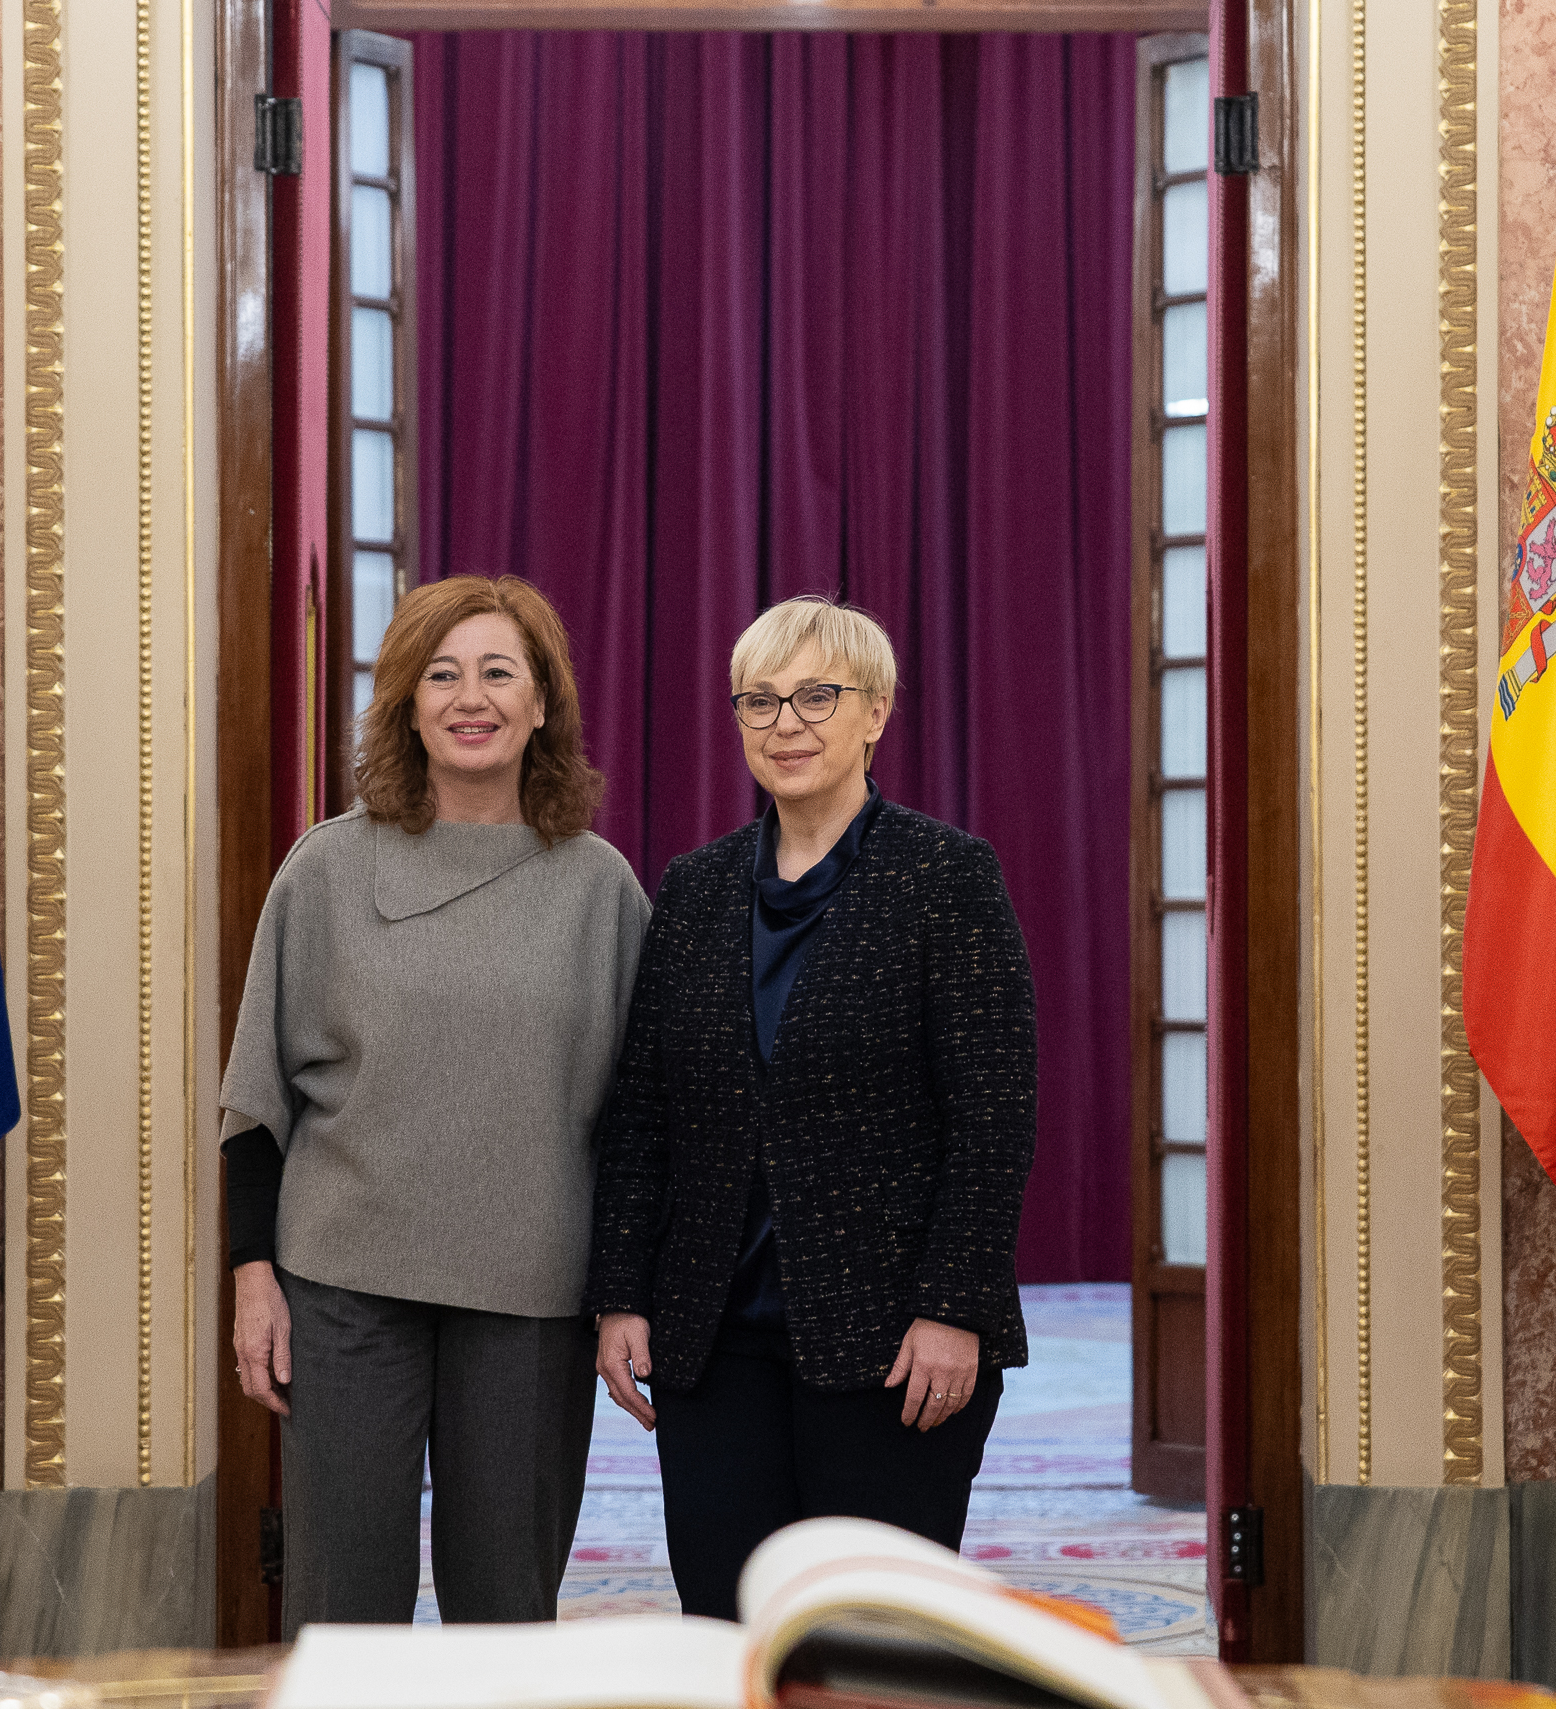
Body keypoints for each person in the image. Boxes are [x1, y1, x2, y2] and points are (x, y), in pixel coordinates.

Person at [589, 595, 1038, 1620]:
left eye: (817, 696)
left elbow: (994, 1114)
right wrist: (621, 1290)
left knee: (876, 1646)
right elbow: (644, 1109)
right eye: (761, 700)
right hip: (714, 1348)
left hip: (892, 1345)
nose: (786, 723)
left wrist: (954, 1307)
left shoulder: (947, 877)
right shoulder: (695, 889)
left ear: (876, 712)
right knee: (730, 1629)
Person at [220, 575, 649, 1629]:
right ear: (406, 704)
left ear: (542, 703)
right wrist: (252, 1279)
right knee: (340, 1604)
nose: (472, 696)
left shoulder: (603, 891)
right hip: (343, 1286)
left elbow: (645, 1124)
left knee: (506, 1605)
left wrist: (629, 1295)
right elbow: (256, 1104)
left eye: (500, 671)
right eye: (441, 674)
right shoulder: (322, 869)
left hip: (533, 1297)